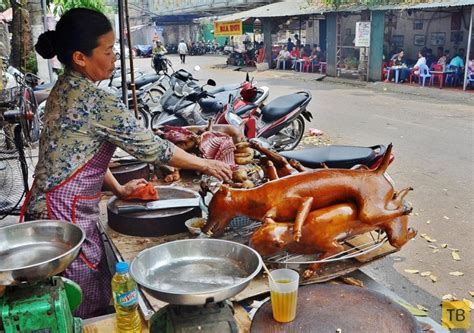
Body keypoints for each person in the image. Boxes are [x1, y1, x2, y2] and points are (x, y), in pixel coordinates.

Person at [28, 8, 231, 319]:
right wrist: (207, 166)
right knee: (77, 306)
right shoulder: (96, 101)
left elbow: (82, 154)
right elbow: (153, 148)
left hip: (50, 210)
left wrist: (120, 189)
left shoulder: (63, 89)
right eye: (108, 51)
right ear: (81, 57)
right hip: (63, 219)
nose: (115, 58)